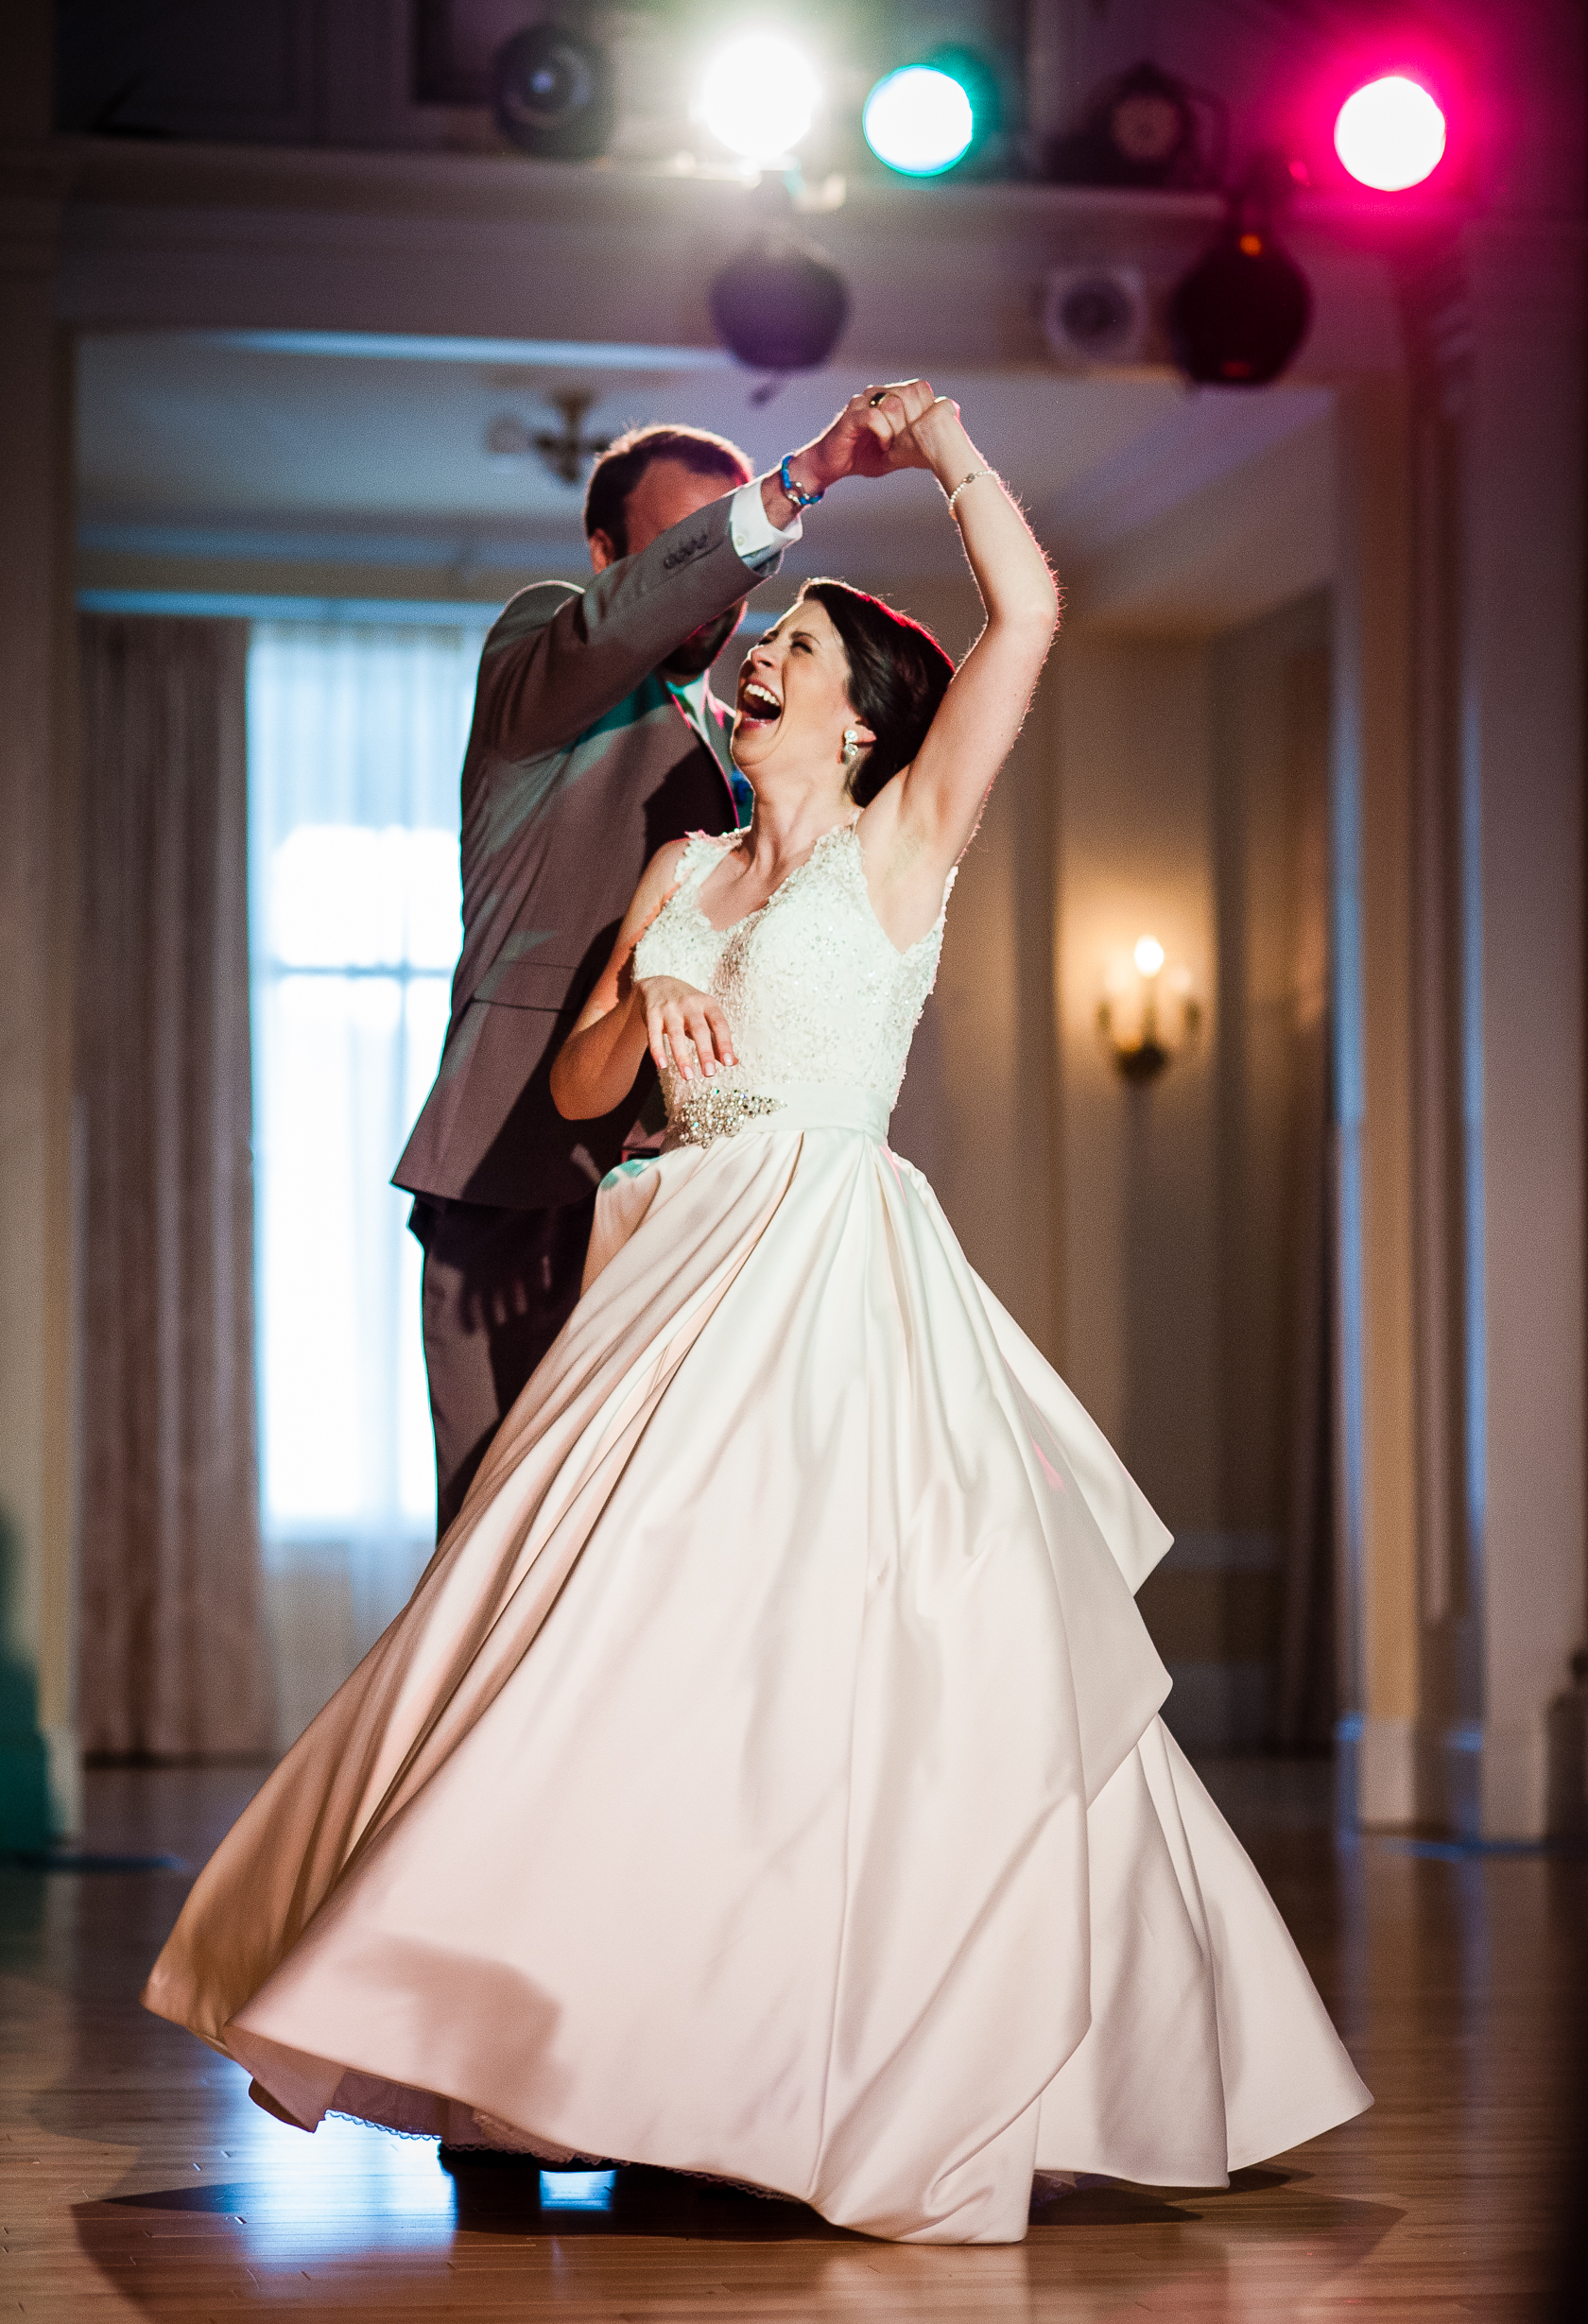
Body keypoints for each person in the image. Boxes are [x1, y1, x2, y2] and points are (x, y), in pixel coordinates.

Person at [145, 383, 1370, 2244]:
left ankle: (816, 2050)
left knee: (835, 1668)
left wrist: (951, 452)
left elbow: (1024, 622)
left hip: (817, 1257)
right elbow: (577, 1085)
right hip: (658, 1251)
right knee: (569, 1640)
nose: (751, 649)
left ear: (864, 711)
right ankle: (561, 2036)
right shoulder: (673, 847)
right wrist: (648, 1012)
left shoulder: (909, 839)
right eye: (755, 629)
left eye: (787, 637)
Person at [395, 398, 905, 1534]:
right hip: (514, 1175)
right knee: (496, 1546)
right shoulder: (540, 655)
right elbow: (611, 627)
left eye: (726, 561)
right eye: (689, 545)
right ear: (610, 558)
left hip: (679, 1198)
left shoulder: (746, 751)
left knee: (652, 1554)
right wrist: (796, 482)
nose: (714, 593)